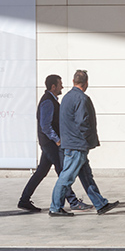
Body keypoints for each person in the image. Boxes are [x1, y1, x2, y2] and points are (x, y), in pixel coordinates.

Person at [18, 74, 93, 212]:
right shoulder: (48, 101)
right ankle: (73, 202)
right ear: (53, 86)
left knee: (41, 172)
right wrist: (57, 140)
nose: (62, 87)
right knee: (63, 171)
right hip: (50, 144)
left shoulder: (51, 100)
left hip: (49, 143)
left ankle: (24, 200)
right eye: (60, 84)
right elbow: (45, 126)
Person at [49, 70, 119, 216]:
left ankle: (100, 204)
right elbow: (82, 122)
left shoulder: (66, 97)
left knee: (86, 176)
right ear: (86, 83)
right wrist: (88, 137)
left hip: (71, 143)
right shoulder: (82, 98)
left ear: (73, 81)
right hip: (77, 145)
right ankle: (55, 208)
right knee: (66, 177)